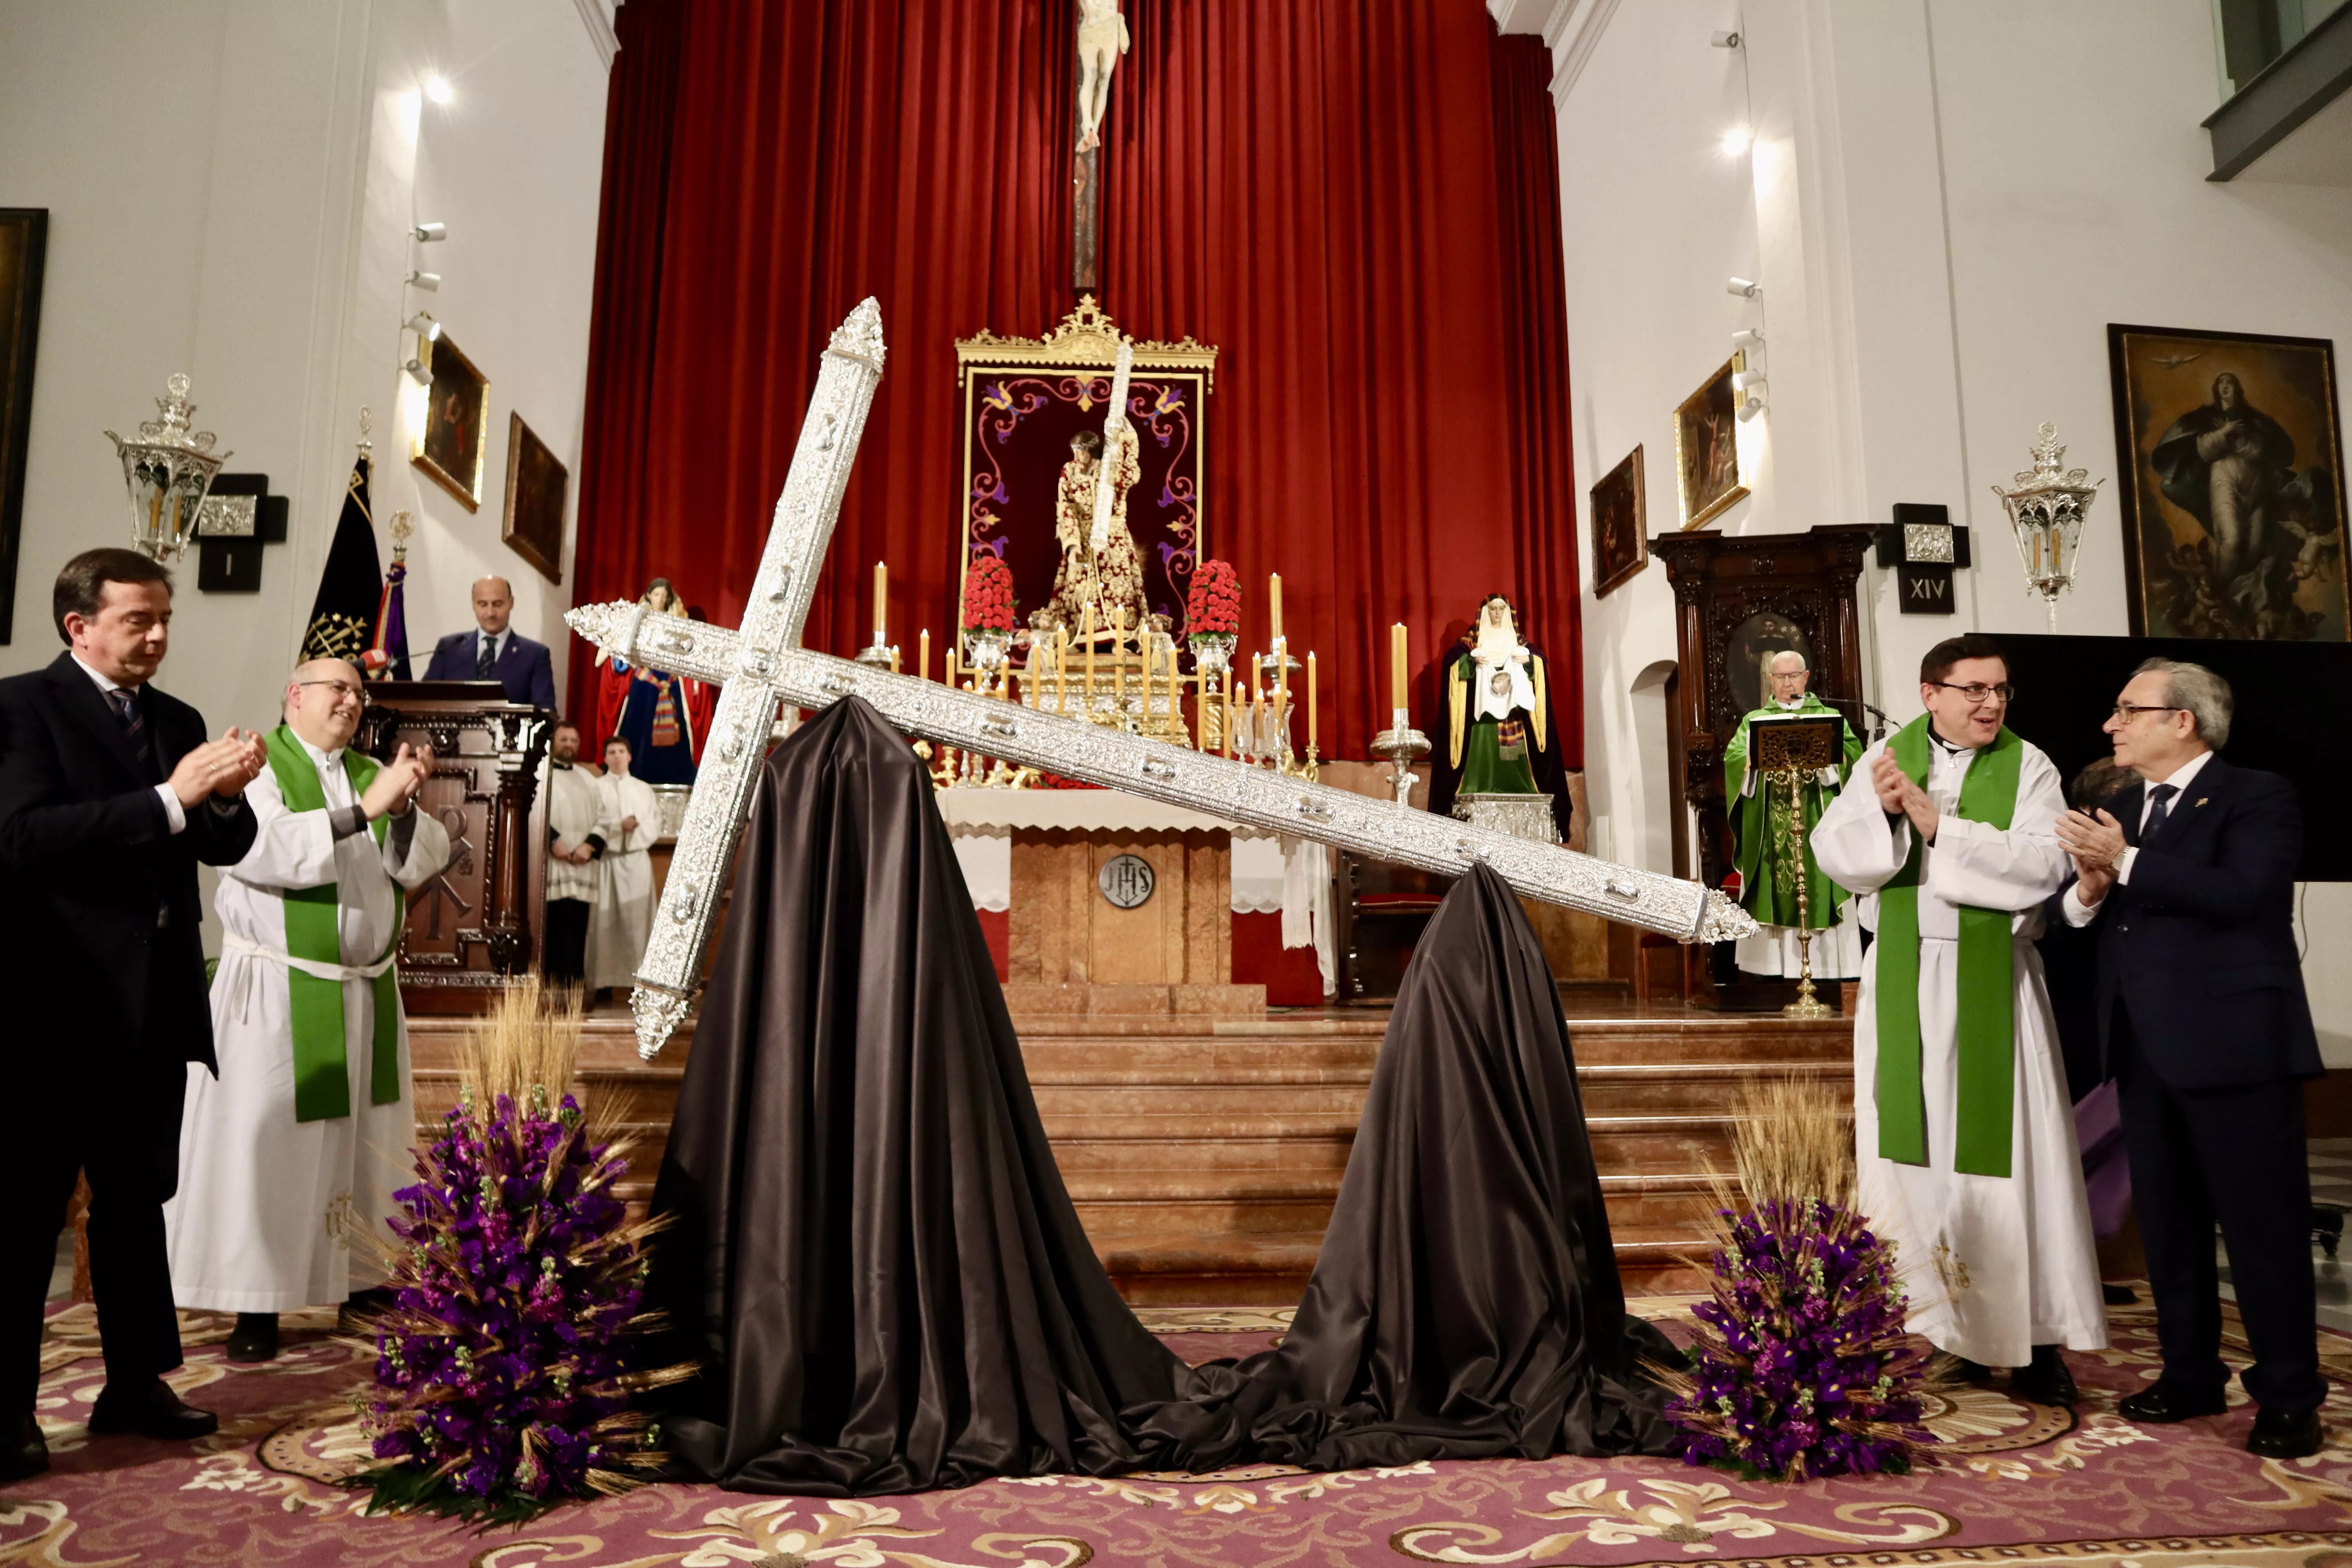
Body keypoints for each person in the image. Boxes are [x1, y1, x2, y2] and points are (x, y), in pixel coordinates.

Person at [0, 548, 266, 1479]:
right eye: (137, 620)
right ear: (80, 626)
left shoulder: (179, 718)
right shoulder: (20, 707)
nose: (156, 636)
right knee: (26, 1212)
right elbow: (21, 838)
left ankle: (134, 1383)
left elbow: (222, 840)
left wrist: (228, 794)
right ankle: (6, 1416)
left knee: (136, 1200)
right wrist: (169, 797)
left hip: (154, 999)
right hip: (51, 1004)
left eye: (164, 620)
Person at [1810, 633, 2103, 1406]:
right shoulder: (1888, 757)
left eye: (2001, 690)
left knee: (2012, 1160)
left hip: (1995, 985)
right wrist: (1882, 810)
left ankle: (2035, 1339)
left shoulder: (2031, 764)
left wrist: (1938, 824)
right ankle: (1948, 1329)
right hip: (1905, 979)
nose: (1991, 704)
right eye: (1973, 689)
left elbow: (2044, 865)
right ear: (1929, 692)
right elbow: (1835, 851)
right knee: (1918, 1164)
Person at [2053, 659, 2325, 1459]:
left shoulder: (2258, 795)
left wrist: (2128, 860)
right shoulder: (2123, 804)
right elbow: (2085, 917)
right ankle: (2191, 1373)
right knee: (2169, 1226)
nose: (2113, 723)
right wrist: (2093, 884)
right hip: (2144, 1045)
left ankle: (2289, 1394)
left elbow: (2245, 893)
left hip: (2238, 1049)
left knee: (2262, 1229)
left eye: (2129, 709)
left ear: (2184, 720)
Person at [164, 659, 450, 1363]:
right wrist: (369, 808)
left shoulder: (363, 772)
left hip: (363, 988)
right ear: (295, 695)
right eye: (337, 689)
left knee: (366, 1142)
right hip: (276, 992)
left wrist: (405, 802)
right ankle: (256, 1304)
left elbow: (422, 862)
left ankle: (362, 1283)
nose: (352, 701)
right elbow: (263, 852)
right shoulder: (256, 765)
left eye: (359, 693)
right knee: (271, 1151)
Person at [1720, 649, 1864, 980]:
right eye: (1780, 677)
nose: (1787, 683)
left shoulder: (1829, 716)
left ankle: (1826, 971)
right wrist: (1754, 763)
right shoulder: (1754, 720)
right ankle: (1776, 971)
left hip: (1818, 814)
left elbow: (1854, 756)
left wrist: (1832, 763)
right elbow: (1736, 758)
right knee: (1774, 877)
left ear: (1806, 677)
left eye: (1793, 676)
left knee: (1821, 875)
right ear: (1771, 681)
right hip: (1773, 822)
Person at [1428, 594, 1575, 842]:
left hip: (1513, 720)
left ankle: (1518, 786)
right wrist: (1471, 660)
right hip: (1482, 724)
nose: (1497, 614)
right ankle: (1476, 784)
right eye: (1493, 609)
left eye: (1501, 610)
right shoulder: (1469, 644)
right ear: (1485, 613)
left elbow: (1539, 664)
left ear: (1508, 614)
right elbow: (1453, 665)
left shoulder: (1520, 644)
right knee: (1482, 755)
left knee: (1516, 759)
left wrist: (1530, 662)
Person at [592, 579, 707, 785]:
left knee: (676, 733)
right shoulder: (637, 620)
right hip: (644, 681)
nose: (660, 599)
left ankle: (675, 779)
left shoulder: (676, 622)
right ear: (649, 596)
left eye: (664, 596)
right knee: (639, 726)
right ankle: (634, 773)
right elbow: (623, 650)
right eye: (657, 594)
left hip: (669, 681)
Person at [1044, 425, 1147, 638]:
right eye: (1074, 450)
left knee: (1119, 587)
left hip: (1114, 538)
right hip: (1082, 538)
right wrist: (1072, 545)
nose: (1076, 456)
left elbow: (1131, 475)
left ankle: (1119, 635)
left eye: (1081, 451)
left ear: (1092, 451)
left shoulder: (1110, 468)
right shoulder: (1069, 472)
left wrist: (1127, 437)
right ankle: (1080, 636)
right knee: (1080, 588)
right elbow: (1066, 508)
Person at [586, 735, 660, 997]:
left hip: (636, 860)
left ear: (629, 757)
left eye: (621, 752)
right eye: (612, 752)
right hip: (607, 860)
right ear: (605, 758)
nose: (617, 756)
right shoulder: (595, 787)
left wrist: (635, 829)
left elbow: (654, 823)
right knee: (604, 920)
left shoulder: (643, 789)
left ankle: (638, 983)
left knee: (638, 921)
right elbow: (591, 821)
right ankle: (603, 984)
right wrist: (619, 828)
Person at [421, 575, 558, 708]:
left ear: (511, 603)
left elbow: (545, 711)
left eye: (498, 604)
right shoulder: (449, 648)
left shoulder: (535, 655)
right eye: (483, 604)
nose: (490, 613)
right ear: (473, 605)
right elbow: (424, 700)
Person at [541, 719, 602, 987]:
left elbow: (606, 816)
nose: (569, 745)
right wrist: (553, 841)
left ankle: (573, 990)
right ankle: (547, 987)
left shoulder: (589, 779)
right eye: (564, 739)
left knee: (578, 929)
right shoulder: (541, 774)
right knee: (551, 927)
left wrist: (589, 846)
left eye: (573, 741)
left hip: (582, 864)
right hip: (552, 863)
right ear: (553, 742)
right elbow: (533, 811)